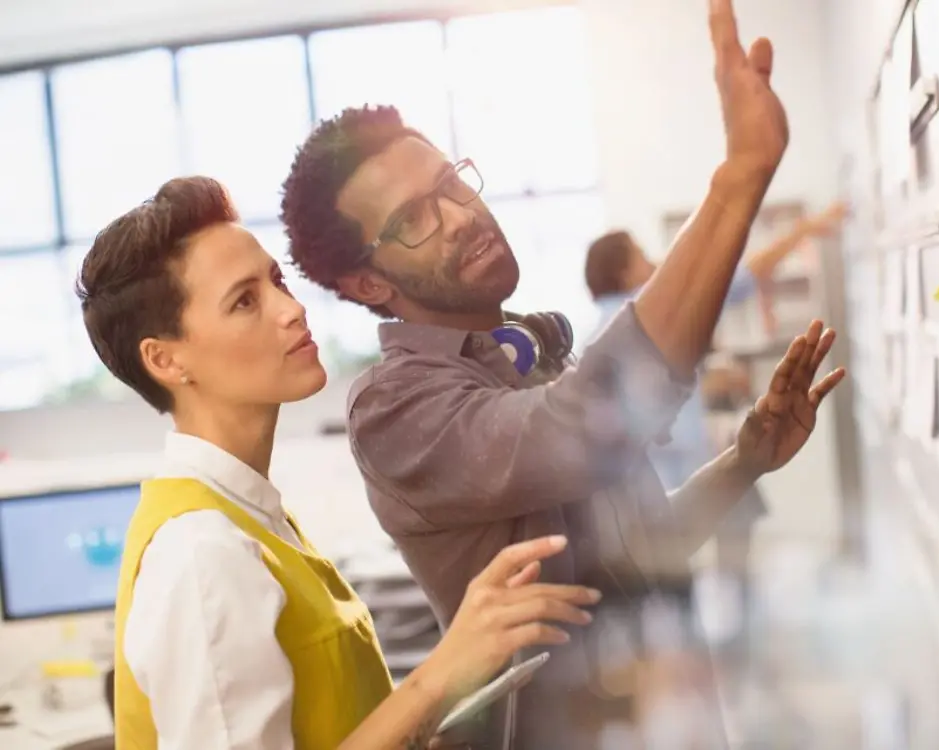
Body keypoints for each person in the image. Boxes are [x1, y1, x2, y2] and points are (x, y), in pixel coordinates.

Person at [278, 1, 845, 746]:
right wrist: (739, 177)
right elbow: (582, 430)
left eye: (451, 183)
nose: (459, 216)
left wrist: (744, 461)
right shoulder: (397, 412)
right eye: (413, 219)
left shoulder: (528, 351)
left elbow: (640, 551)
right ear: (368, 284)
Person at [78, 176, 602, 750]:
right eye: (245, 301)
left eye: (276, 281)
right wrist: (439, 674)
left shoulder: (248, 517)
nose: (292, 309)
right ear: (166, 359)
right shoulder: (204, 552)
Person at [583, 206, 847, 606]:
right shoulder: (641, 311)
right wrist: (803, 230)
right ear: (622, 273)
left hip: (647, 486)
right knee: (727, 525)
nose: (653, 261)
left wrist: (708, 382)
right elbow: (737, 280)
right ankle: (740, 622)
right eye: (640, 255)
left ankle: (734, 616)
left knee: (700, 555)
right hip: (675, 482)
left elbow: (643, 396)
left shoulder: (600, 330)